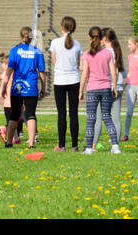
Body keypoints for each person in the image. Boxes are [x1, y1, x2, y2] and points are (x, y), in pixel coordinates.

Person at [1, 27, 46, 149]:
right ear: (32, 38)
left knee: (14, 115)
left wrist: (4, 86)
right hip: (31, 87)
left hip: (17, 87)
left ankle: (9, 142)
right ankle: (31, 143)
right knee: (31, 114)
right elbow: (41, 72)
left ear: (21, 37)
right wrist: (43, 87)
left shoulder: (14, 51)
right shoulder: (37, 52)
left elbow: (9, 70)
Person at [80, 26, 120, 154]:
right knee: (107, 117)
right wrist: (114, 86)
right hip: (106, 88)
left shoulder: (86, 54)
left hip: (92, 89)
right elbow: (113, 72)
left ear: (89, 38)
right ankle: (115, 146)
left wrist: (80, 90)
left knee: (91, 118)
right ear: (101, 38)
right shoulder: (108, 53)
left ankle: (88, 148)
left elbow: (85, 74)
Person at [49, 16, 83, 151]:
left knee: (61, 114)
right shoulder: (77, 44)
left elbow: (54, 61)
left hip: (60, 81)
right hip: (74, 80)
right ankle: (74, 145)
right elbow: (80, 64)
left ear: (62, 27)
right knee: (73, 114)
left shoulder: (55, 43)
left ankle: (62, 145)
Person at [91, 27, 126, 147]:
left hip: (107, 86)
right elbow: (123, 72)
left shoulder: (104, 52)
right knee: (116, 117)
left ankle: (93, 145)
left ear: (104, 39)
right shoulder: (118, 51)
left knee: (98, 116)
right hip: (119, 85)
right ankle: (115, 145)